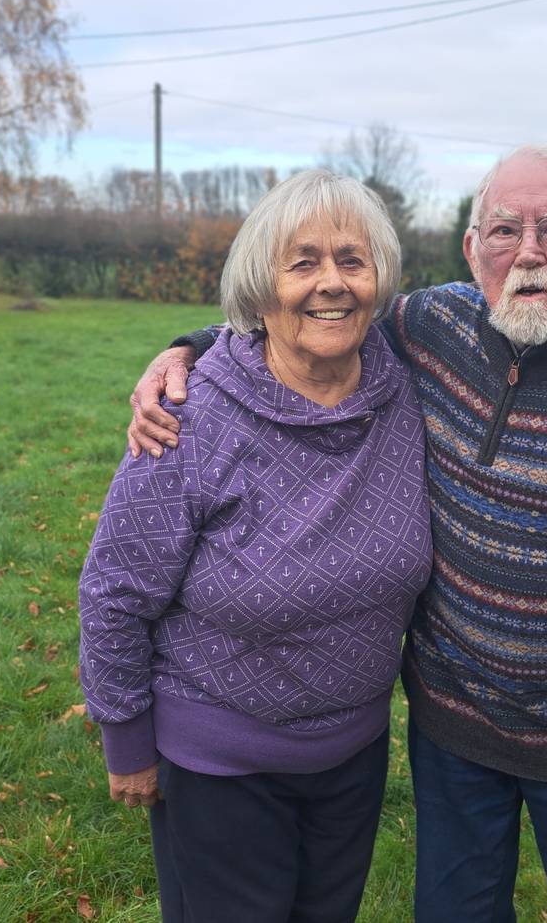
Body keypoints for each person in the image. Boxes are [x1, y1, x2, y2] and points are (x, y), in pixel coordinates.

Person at [129, 145, 547, 923]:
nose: (527, 253)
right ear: (470, 248)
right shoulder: (430, 326)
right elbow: (313, 313)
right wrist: (189, 348)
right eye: (503, 231)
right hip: (454, 732)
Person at [80, 169, 433, 923]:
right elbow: (114, 588)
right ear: (259, 286)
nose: (330, 283)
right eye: (302, 262)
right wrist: (126, 739)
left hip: (354, 757)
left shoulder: (406, 392)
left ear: (381, 280)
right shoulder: (189, 414)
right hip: (218, 766)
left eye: (352, 259)